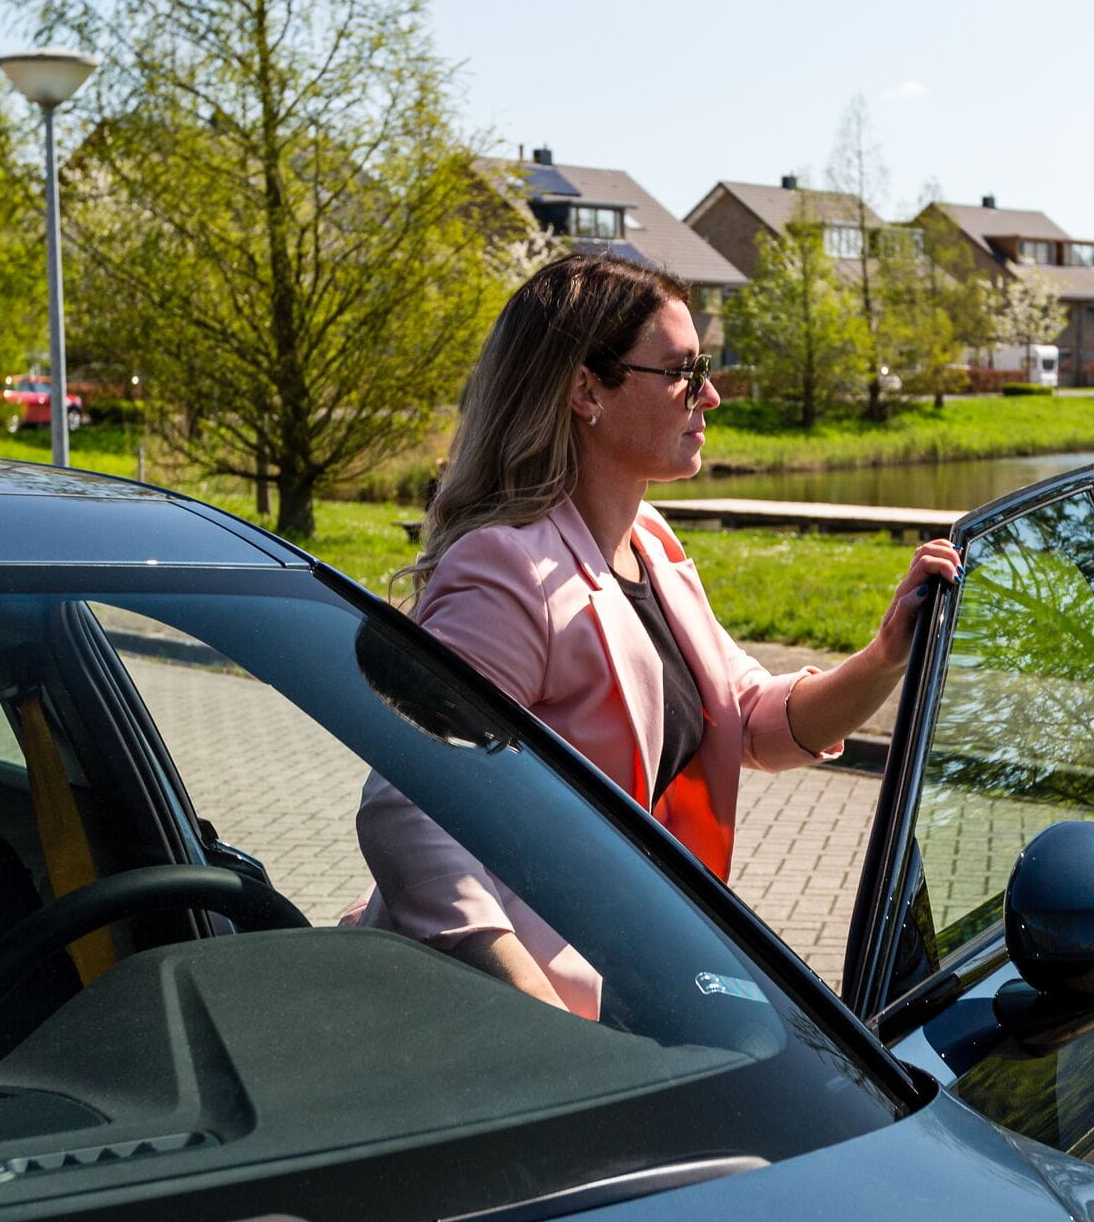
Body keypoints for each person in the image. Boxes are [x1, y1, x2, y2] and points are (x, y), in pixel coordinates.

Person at [347, 252, 958, 1016]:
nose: (711, 395)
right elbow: (409, 805)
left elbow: (755, 720)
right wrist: (530, 1004)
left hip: (648, 971)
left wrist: (885, 655)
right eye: (681, 371)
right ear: (585, 390)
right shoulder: (507, 569)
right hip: (526, 1014)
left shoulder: (651, 541)